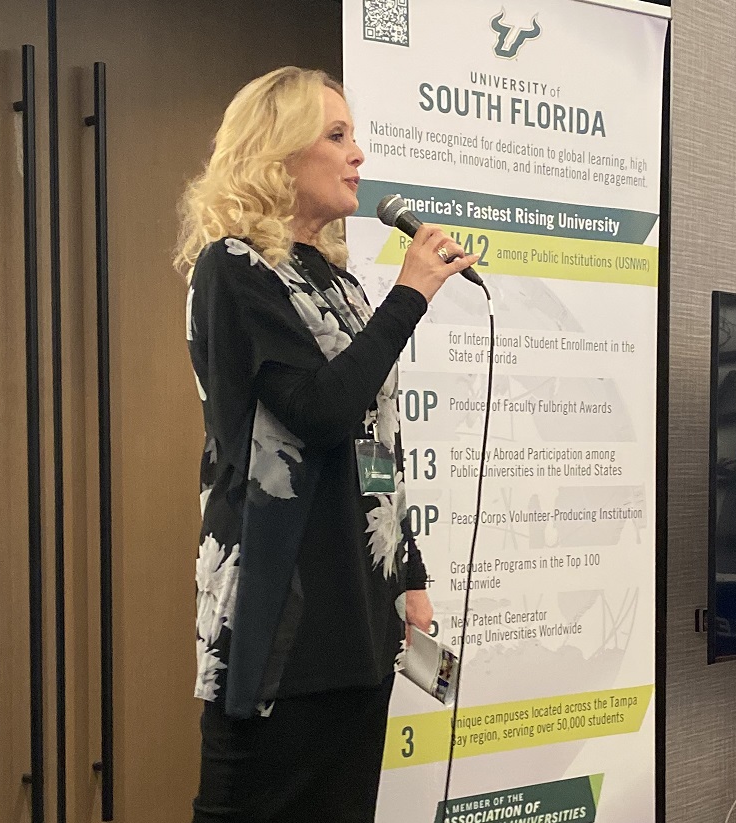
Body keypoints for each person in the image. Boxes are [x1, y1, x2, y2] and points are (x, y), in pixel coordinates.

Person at [174, 66, 479, 823]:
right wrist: (411, 293)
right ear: (277, 152)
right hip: (282, 618)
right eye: (336, 136)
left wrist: (405, 569)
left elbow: (375, 441)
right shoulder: (235, 268)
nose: (358, 156)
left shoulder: (340, 285)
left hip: (360, 619)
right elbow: (317, 412)